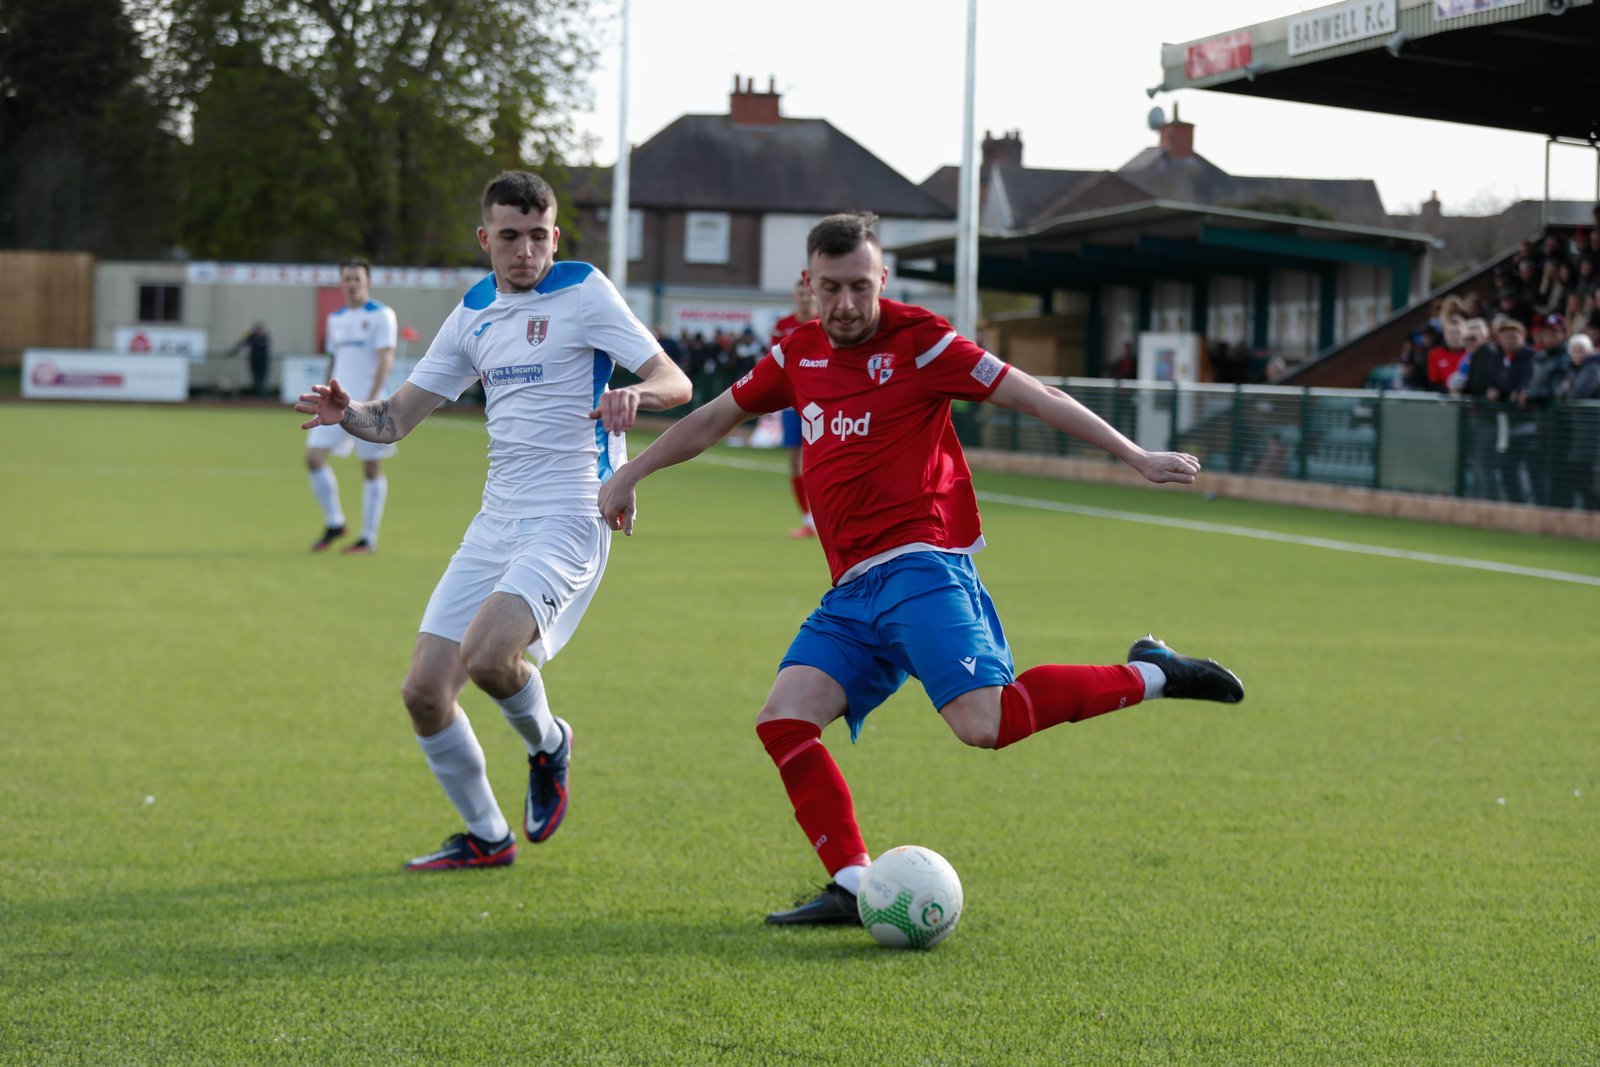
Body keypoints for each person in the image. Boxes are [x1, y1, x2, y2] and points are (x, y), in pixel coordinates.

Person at [597, 212, 1244, 925]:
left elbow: (1035, 395)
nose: (846, 304)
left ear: (883, 278)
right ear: (808, 283)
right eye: (831, 288)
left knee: (986, 722)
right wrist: (631, 474)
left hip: (920, 566)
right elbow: (712, 418)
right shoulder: (797, 352)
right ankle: (853, 883)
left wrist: (1136, 455)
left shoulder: (923, 341)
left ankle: (1156, 672)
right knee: (784, 720)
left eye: (861, 286)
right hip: (852, 590)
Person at [295, 171, 691, 870]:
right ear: (485, 238)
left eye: (539, 236)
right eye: (510, 237)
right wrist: (348, 413)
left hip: (571, 513)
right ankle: (487, 835)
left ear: (555, 236)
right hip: (495, 520)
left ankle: (549, 743)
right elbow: (396, 419)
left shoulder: (585, 291)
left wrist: (637, 395)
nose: (526, 251)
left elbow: (675, 381)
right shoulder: (472, 312)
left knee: (487, 657)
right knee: (424, 693)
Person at [304, 259, 399, 554]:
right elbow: (333, 360)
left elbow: (385, 359)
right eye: (347, 278)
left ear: (367, 282)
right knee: (313, 457)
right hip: (336, 405)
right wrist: (324, 394)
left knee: (371, 467)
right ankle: (335, 522)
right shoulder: (335, 319)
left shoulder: (382, 315)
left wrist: (371, 401)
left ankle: (368, 537)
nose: (352, 284)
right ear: (340, 283)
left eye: (358, 278)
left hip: (370, 404)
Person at [770, 277, 822, 538]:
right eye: (800, 293)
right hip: (793, 402)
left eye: (808, 293)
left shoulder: (826, 322)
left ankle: (827, 518)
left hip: (822, 402)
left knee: (821, 459)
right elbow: (775, 363)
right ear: (795, 296)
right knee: (794, 458)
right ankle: (808, 520)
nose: (804, 298)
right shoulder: (783, 326)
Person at [231, 322, 272, 398]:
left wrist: (252, 341)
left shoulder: (264, 337)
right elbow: (242, 343)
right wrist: (233, 351)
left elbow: (262, 346)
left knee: (262, 379)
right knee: (255, 379)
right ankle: (260, 394)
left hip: (262, 361)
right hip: (254, 361)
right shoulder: (252, 336)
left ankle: (264, 395)